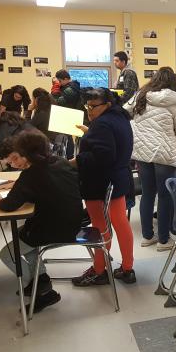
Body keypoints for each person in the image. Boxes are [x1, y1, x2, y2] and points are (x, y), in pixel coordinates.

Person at [0, 130, 84, 313]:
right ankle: (43, 284)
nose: (14, 161)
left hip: (53, 228)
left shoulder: (30, 175)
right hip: (73, 222)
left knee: (7, 254)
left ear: (26, 154)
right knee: (23, 237)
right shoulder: (60, 162)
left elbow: (9, 205)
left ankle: (33, 285)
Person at [124, 67, 176, 251]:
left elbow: (124, 110)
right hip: (164, 153)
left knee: (148, 194)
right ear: (173, 82)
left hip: (142, 153)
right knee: (165, 197)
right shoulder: (175, 101)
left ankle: (148, 236)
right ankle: (164, 240)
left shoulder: (141, 95)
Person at [70, 88, 136, 286]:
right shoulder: (120, 118)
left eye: (93, 107)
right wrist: (90, 133)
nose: (89, 111)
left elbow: (103, 156)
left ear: (107, 104)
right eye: (87, 107)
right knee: (120, 222)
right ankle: (127, 268)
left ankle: (99, 270)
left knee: (99, 226)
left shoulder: (103, 124)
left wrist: (74, 161)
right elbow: (111, 147)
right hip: (117, 179)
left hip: (99, 182)